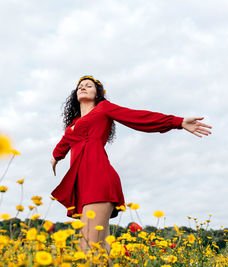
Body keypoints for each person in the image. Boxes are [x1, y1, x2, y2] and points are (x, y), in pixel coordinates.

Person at [50, 75, 212, 258]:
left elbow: (137, 116)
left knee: (87, 246)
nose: (83, 87)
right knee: (101, 251)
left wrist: (177, 122)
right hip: (82, 183)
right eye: (80, 86)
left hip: (98, 179)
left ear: (98, 94)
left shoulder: (104, 108)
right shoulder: (73, 124)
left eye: (89, 86)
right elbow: (64, 143)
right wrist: (55, 157)